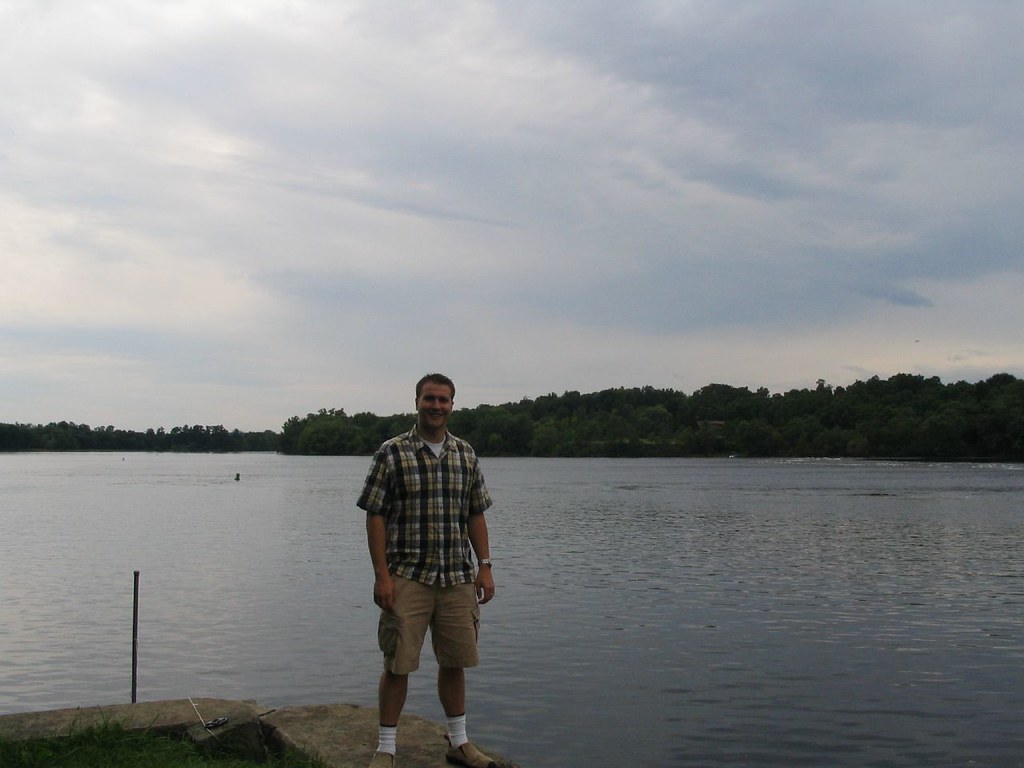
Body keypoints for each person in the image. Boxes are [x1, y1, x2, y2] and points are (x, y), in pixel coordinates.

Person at [357, 373, 497, 768]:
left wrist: (484, 568)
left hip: (456, 576)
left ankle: (459, 743)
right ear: (416, 401)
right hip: (407, 576)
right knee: (397, 663)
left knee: (455, 662)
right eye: (429, 399)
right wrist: (381, 575)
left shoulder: (465, 454)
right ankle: (385, 747)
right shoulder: (392, 452)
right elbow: (375, 515)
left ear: (453, 405)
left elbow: (475, 514)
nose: (436, 406)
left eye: (443, 400)